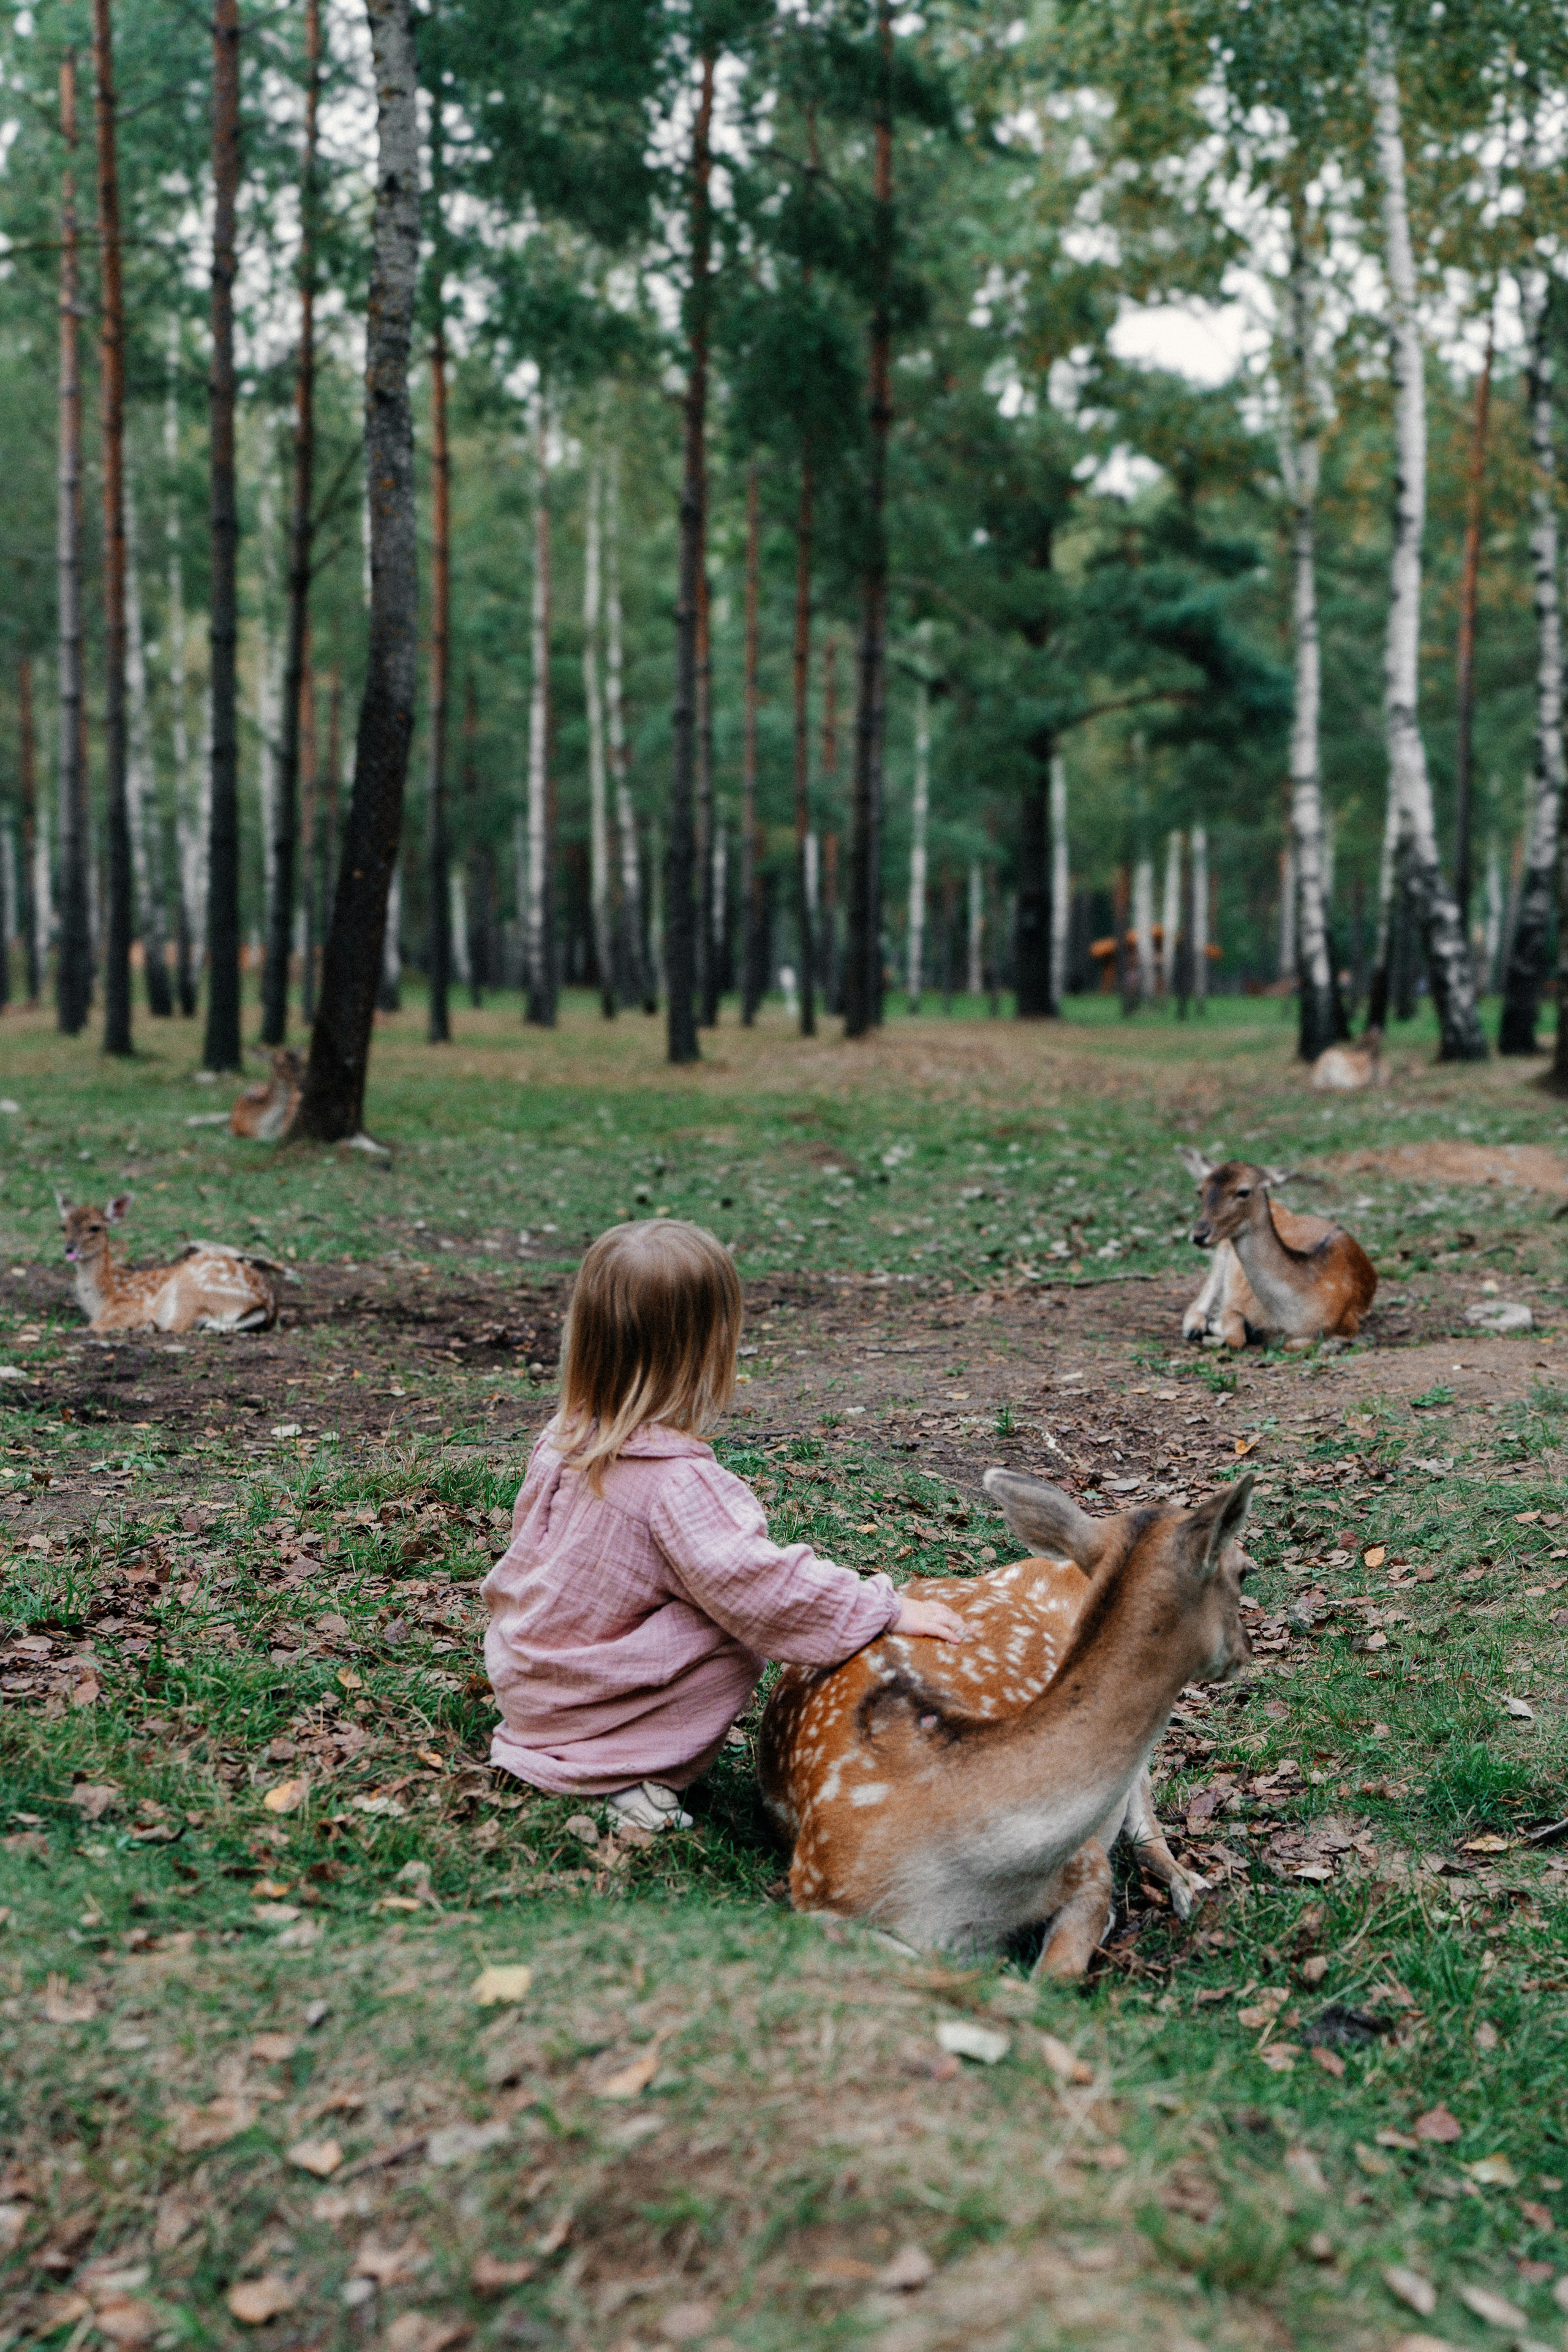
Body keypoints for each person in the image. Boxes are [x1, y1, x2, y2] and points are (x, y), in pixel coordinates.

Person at [482, 1218, 966, 1833]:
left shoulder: (560, 1441)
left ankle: (584, 1749)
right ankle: (620, 1775)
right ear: (710, 1350)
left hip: (532, 1687)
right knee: (724, 1623)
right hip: (590, 1707)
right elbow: (764, 1591)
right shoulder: (678, 1488)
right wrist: (878, 1610)